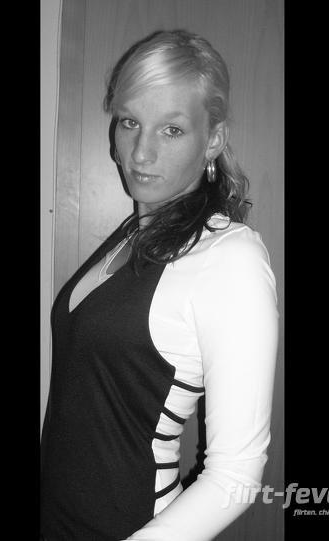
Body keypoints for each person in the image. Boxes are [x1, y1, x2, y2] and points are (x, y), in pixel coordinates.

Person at [40, 29, 279, 541]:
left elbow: (236, 477)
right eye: (130, 122)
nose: (140, 153)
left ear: (213, 139)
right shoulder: (134, 232)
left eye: (171, 130)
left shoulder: (228, 257)